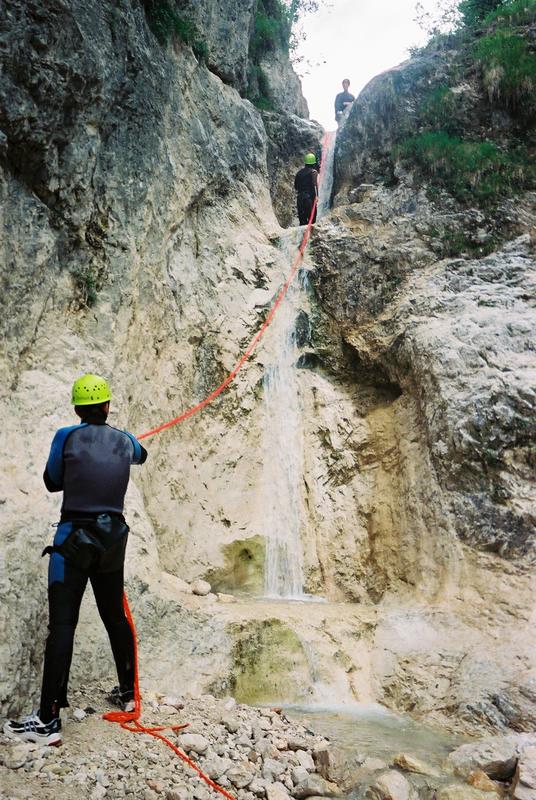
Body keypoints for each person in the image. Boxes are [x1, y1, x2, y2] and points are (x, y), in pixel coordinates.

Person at [4, 374, 148, 746]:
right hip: (112, 540)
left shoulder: (65, 436)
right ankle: (129, 694)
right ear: (107, 406)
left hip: (73, 540)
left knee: (63, 625)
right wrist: (120, 441)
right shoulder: (125, 440)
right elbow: (141, 455)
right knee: (114, 615)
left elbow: (52, 480)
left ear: (77, 408)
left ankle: (48, 719)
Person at [294, 153, 319, 226]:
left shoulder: (299, 173)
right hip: (309, 199)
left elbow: (296, 187)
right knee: (311, 221)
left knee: (302, 221)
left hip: (300, 199)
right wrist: (317, 196)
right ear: (313, 163)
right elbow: (315, 185)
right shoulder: (313, 172)